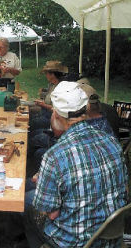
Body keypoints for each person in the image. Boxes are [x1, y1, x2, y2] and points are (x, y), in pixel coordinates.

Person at [24, 81, 128, 248]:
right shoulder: (112, 142)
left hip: (74, 242)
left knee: (28, 204)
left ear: (56, 115)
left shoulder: (55, 156)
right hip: (111, 238)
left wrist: (45, 182)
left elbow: (49, 213)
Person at [29, 60, 68, 131]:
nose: (45, 75)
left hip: (53, 119)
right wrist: (41, 101)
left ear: (52, 74)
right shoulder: (52, 84)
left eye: (46, 73)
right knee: (28, 113)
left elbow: (58, 111)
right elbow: (47, 98)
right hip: (45, 113)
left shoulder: (61, 88)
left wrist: (43, 105)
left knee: (30, 123)